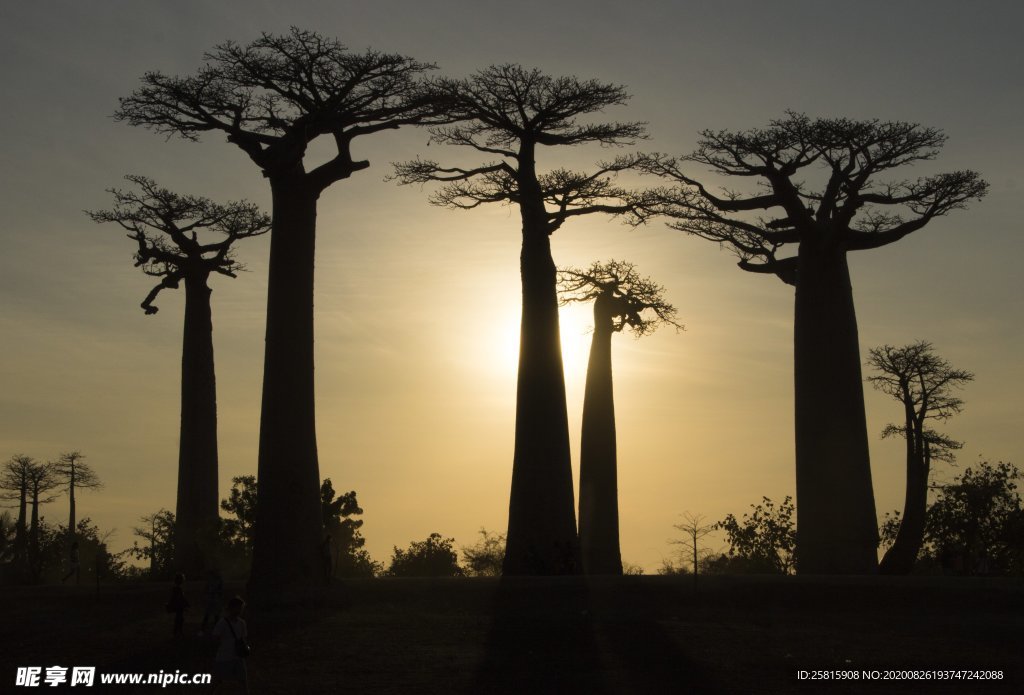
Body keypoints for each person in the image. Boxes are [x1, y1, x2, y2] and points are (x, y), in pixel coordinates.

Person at [211, 596, 249, 694]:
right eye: (238, 608)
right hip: (225, 656)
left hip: (236, 656)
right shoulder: (223, 623)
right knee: (218, 680)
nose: (240, 611)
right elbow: (215, 637)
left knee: (243, 680)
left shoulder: (241, 623)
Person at [199, 568, 225, 635]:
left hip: (214, 599)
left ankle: (215, 630)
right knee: (210, 615)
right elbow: (206, 589)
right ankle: (205, 629)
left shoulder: (216, 581)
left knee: (213, 616)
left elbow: (221, 591)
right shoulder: (212, 581)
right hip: (212, 599)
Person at [166, 573, 189, 637]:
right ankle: (178, 631)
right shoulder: (178, 589)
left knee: (179, 618)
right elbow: (180, 598)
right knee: (179, 618)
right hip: (179, 605)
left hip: (178, 605)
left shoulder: (176, 588)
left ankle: (177, 631)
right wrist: (186, 604)